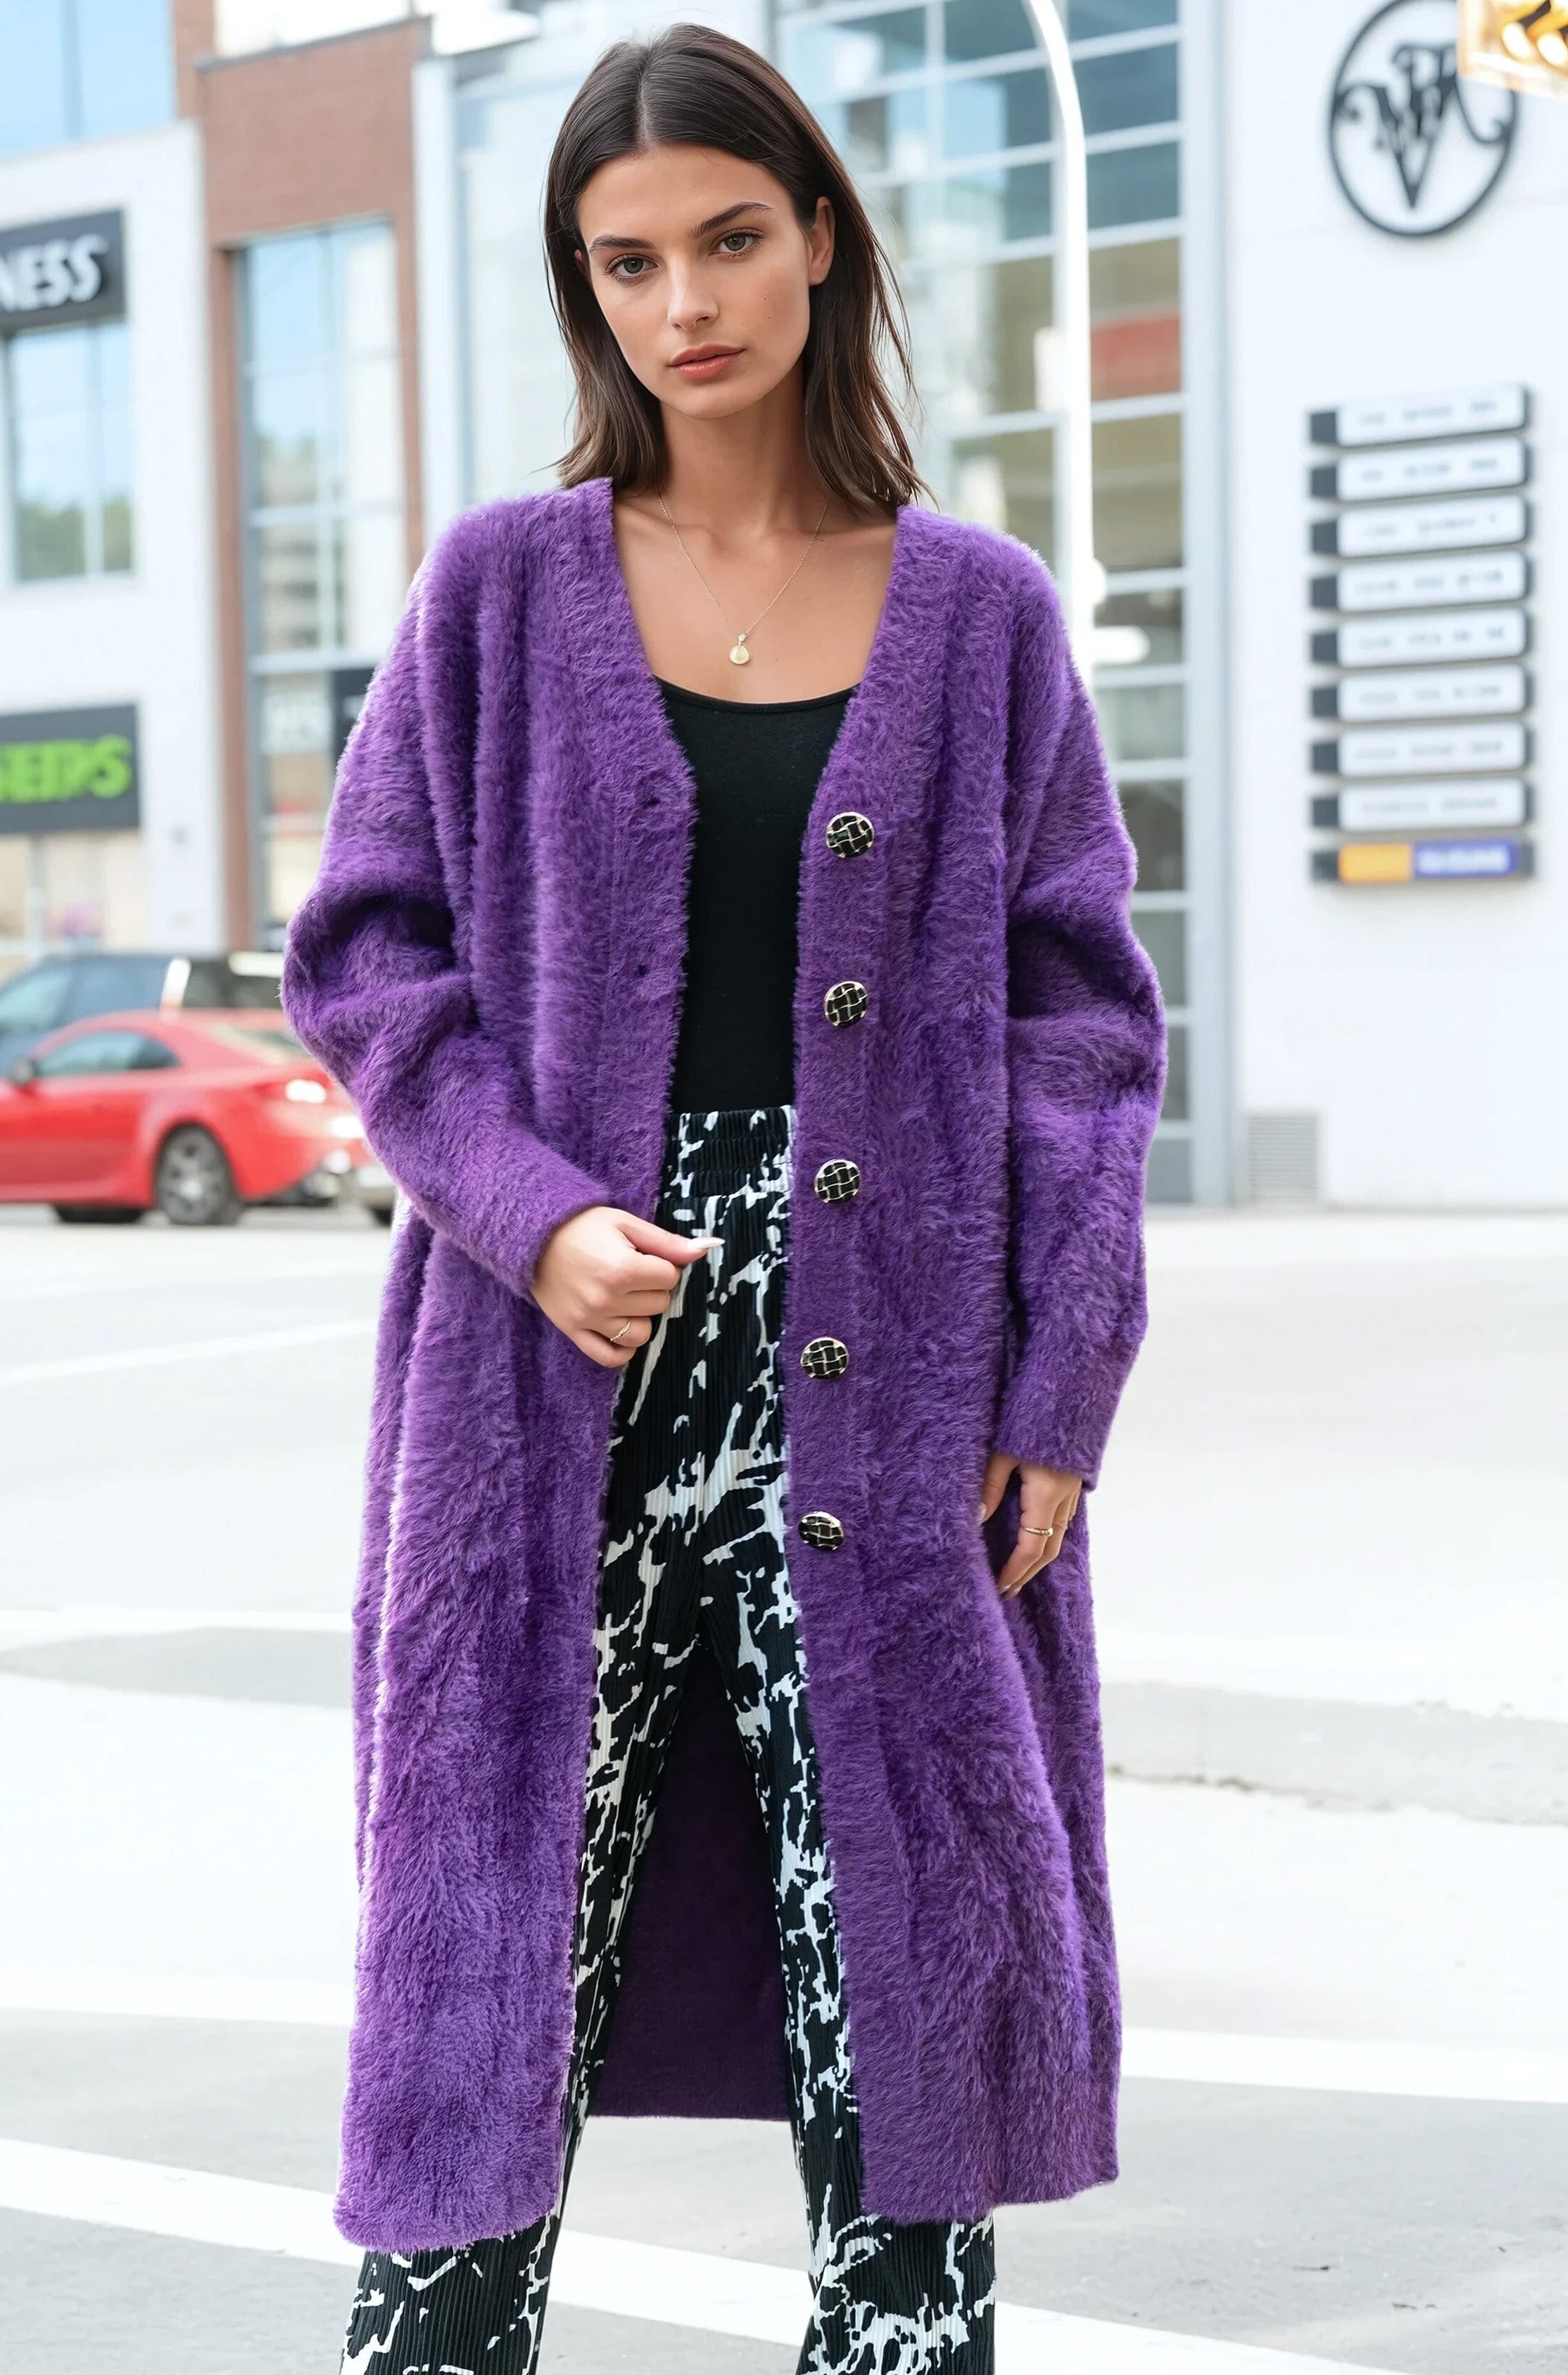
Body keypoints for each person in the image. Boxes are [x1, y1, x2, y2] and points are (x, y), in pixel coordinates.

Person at [282, 23, 1167, 2374]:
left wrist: (1061, 1381)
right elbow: (369, 955)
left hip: (894, 1377)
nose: (683, 301)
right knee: (486, 1991)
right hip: (555, 1357)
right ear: (584, 291)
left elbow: (1081, 1023)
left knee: (903, 2002)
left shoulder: (978, 614)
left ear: (822, 242)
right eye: (626, 261)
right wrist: (527, 1211)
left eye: (729, 239)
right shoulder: (500, 591)